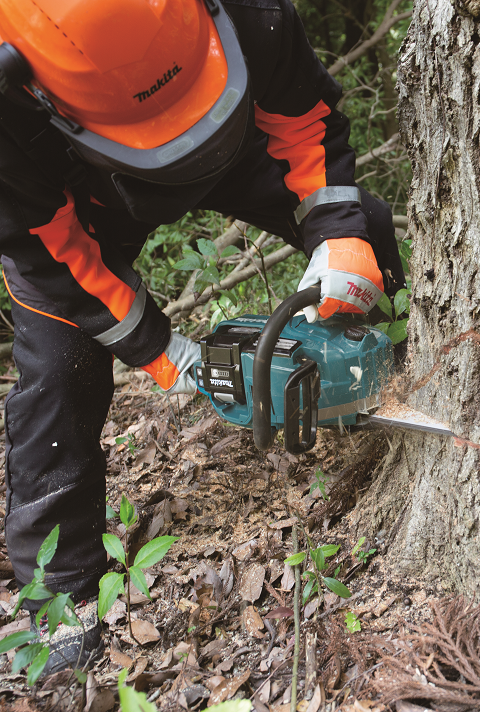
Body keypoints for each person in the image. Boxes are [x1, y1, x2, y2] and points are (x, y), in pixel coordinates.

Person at [0, 0, 405, 674]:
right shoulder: (7, 115)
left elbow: (302, 116)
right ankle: (60, 588)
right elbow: (54, 252)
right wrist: (165, 353)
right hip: (83, 198)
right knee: (59, 367)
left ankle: (397, 367)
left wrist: (338, 235)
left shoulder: (253, 14)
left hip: (235, 137)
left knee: (366, 225)